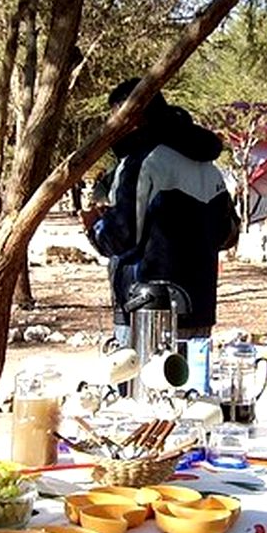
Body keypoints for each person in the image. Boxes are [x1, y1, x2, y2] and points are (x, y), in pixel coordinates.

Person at [81, 78, 238, 342]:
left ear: (133, 116)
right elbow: (227, 235)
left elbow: (120, 236)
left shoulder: (141, 161)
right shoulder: (208, 168)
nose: (112, 127)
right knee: (191, 382)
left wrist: (93, 226)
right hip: (198, 307)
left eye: (116, 117)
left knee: (140, 381)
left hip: (145, 307)